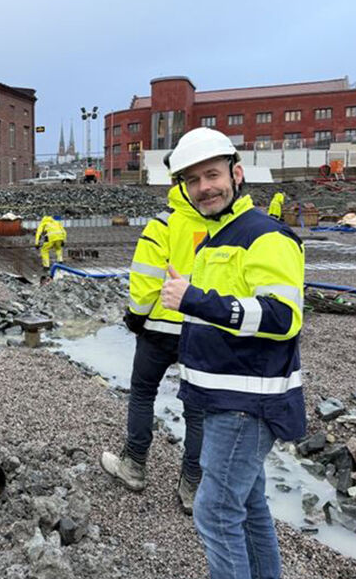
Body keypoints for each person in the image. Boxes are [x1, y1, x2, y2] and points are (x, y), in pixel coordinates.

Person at [159, 127, 305, 579]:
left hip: (247, 403)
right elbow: (227, 310)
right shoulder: (217, 238)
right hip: (223, 398)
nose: (204, 187)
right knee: (249, 503)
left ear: (236, 175)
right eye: (193, 180)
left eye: (212, 175)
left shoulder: (265, 236)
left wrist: (194, 299)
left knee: (216, 511)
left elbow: (282, 316)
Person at [100, 183, 207, 514]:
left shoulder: (163, 224)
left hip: (159, 329)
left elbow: (145, 278)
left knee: (143, 393)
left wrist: (136, 316)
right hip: (201, 330)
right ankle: (192, 485)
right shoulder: (219, 225)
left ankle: (134, 466)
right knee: (198, 410)